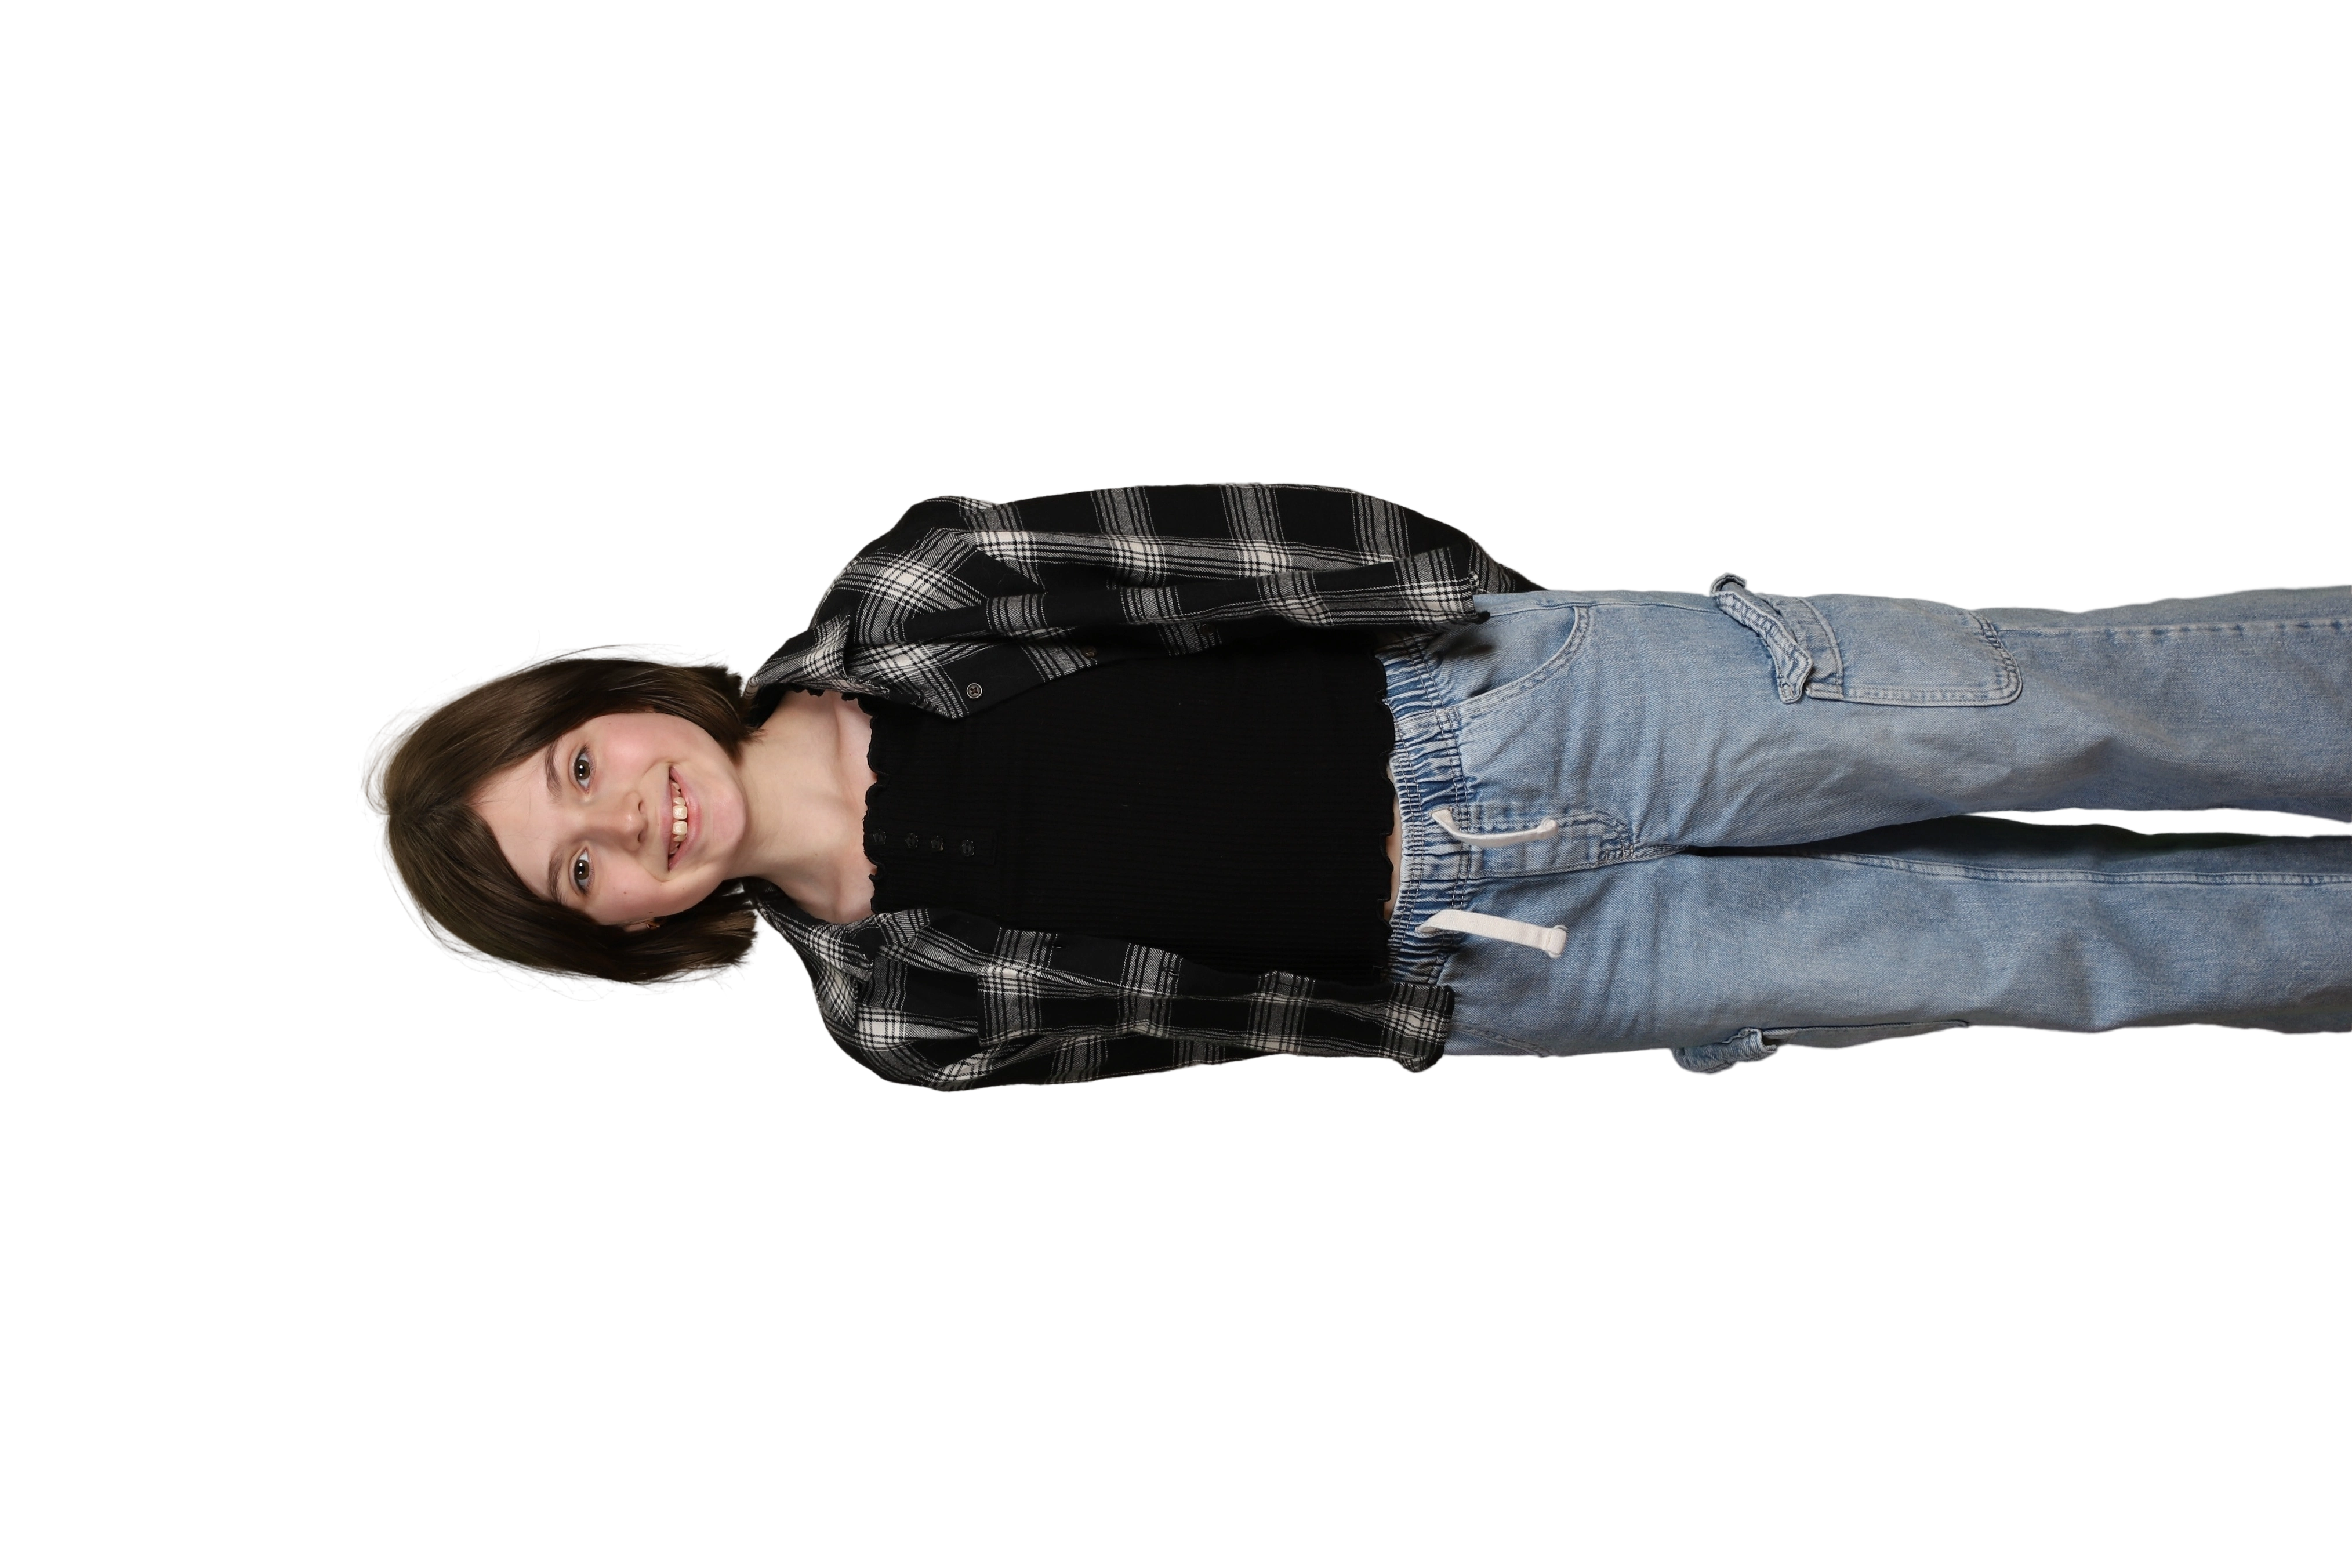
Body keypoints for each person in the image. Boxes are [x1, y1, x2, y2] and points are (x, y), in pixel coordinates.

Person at [355, 480, 2352, 1091]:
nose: (628, 819)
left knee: (2050, 707)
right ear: (619, 931)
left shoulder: (917, 591)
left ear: (610, 697)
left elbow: (1239, 537)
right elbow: (1197, 1025)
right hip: (1515, 955)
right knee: (2046, 952)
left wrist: (1498, 637)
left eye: (582, 769)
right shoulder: (905, 1019)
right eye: (581, 869)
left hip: (1526, 718)